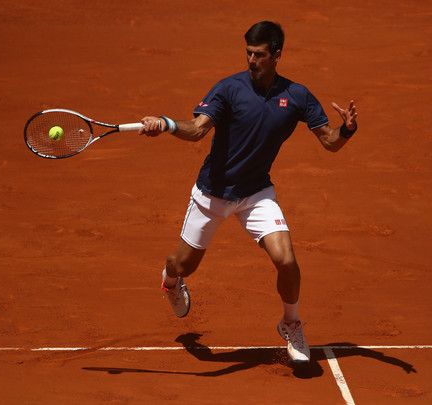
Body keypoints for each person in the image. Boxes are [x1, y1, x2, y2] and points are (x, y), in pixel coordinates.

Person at [139, 21, 357, 364]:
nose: (252, 60)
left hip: (256, 193)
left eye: (259, 54)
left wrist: (347, 129)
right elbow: (197, 130)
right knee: (183, 264)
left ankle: (291, 323)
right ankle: (169, 280)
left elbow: (330, 143)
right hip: (211, 195)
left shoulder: (297, 96)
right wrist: (165, 124)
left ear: (277, 55)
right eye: (248, 53)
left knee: (286, 260)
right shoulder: (228, 89)